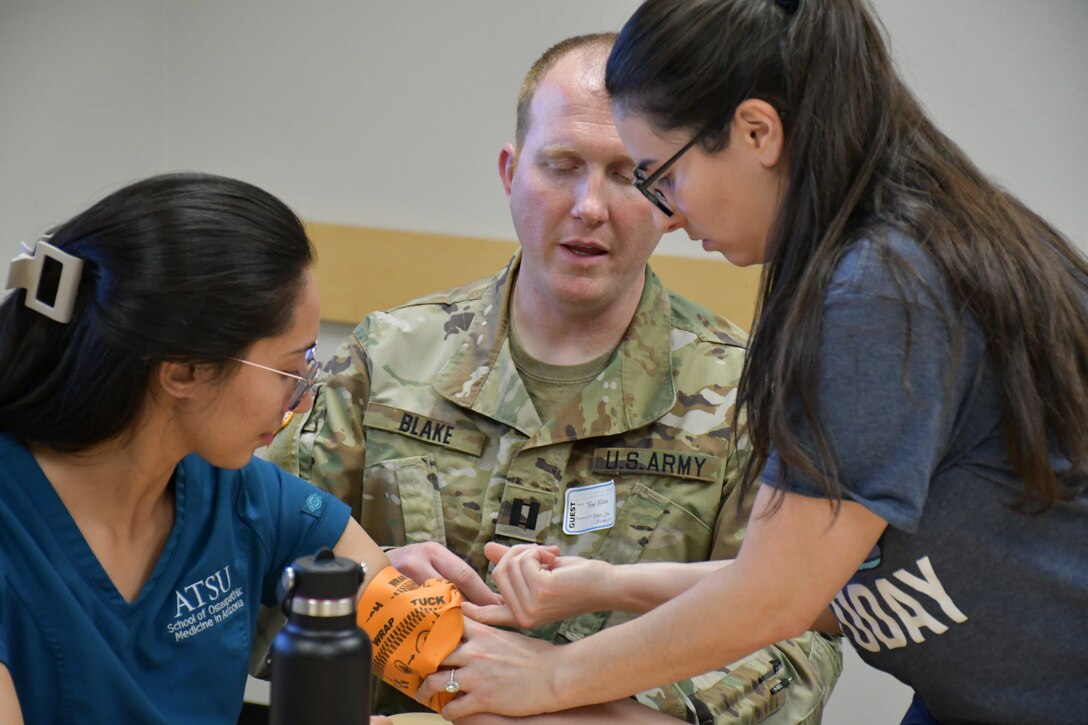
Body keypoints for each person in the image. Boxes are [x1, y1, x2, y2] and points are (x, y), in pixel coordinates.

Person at [413, 1, 1088, 724]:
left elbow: (776, 596)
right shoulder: (881, 251)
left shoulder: (883, 284)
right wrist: (609, 583)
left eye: (655, 174)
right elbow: (822, 575)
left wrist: (551, 677)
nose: (665, 213)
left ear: (757, 132)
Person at [265, 33, 842, 723]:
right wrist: (374, 592)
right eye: (561, 165)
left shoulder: (749, 391)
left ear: (669, 194)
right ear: (511, 172)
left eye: (627, 175)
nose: (589, 206)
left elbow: (801, 633)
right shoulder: (388, 357)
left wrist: (584, 703)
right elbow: (249, 554)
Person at [0, 173, 395, 725]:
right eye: (287, 370)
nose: (301, 402)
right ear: (183, 370)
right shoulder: (15, 537)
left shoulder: (236, 496)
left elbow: (403, 619)